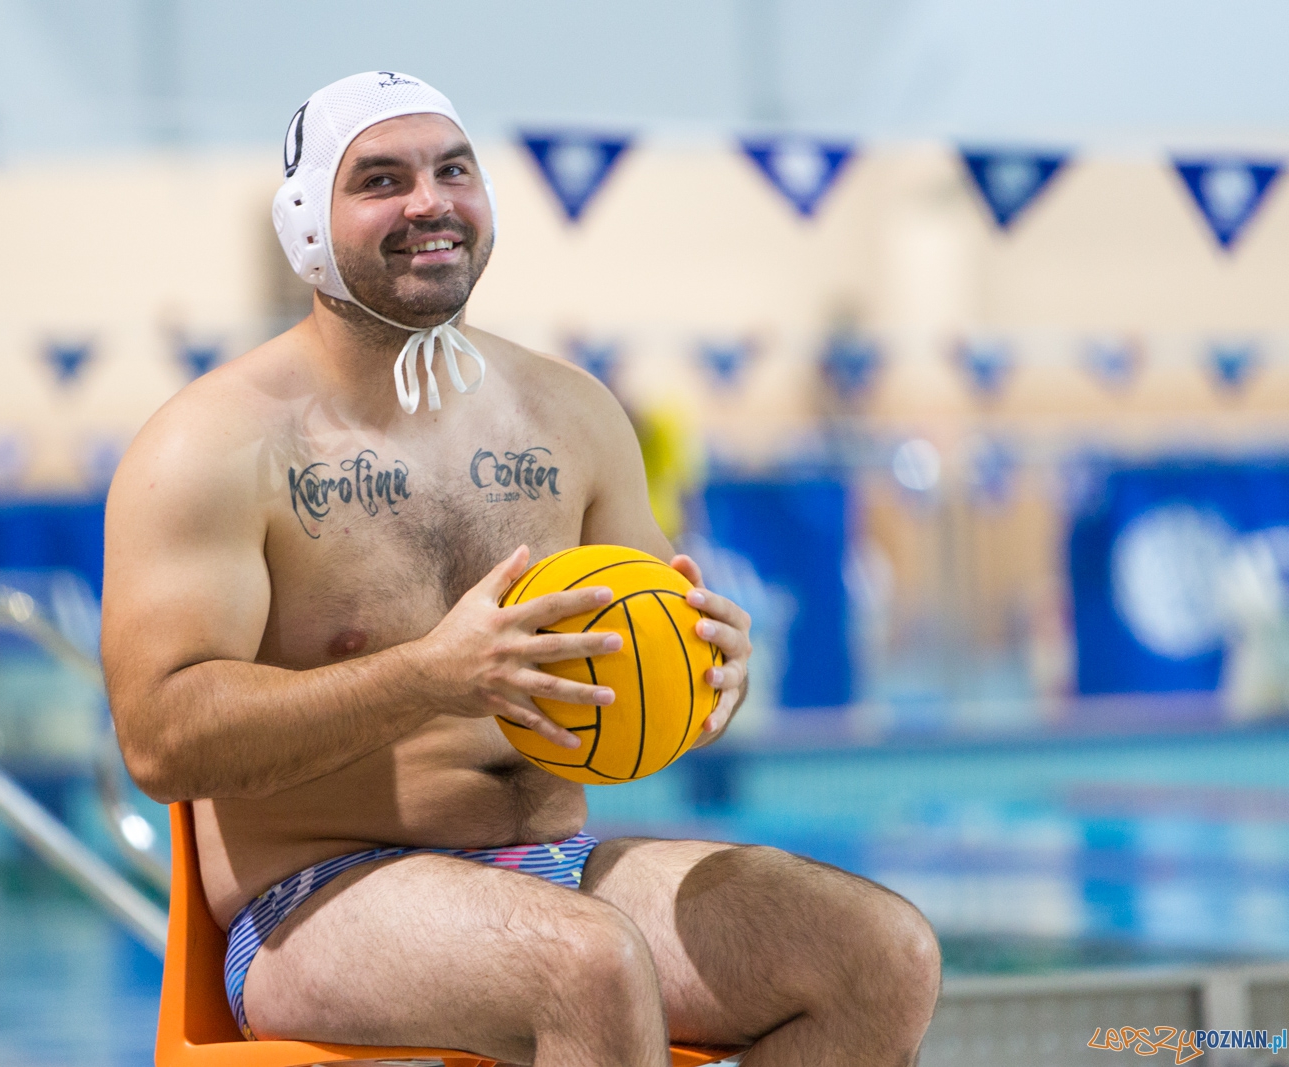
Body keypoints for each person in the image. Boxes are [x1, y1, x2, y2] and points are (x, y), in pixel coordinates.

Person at [102, 71, 940, 1066]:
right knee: (587, 965)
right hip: (317, 897)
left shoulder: (570, 413)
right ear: (306, 227)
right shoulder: (213, 444)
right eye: (381, 179)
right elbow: (162, 738)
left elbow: (642, 666)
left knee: (879, 953)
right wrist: (426, 677)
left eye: (453, 171)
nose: (429, 201)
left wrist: (705, 670)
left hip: (562, 864)